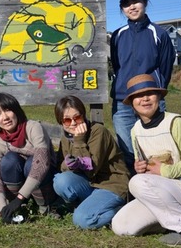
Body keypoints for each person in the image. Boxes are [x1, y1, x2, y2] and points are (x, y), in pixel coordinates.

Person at [111, 74, 181, 246]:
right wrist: (140, 167)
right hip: (162, 193)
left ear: (158, 96)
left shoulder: (175, 122)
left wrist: (164, 171)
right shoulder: (136, 130)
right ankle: (172, 223)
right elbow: (144, 168)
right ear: (132, 103)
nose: (145, 99)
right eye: (138, 96)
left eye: (150, 93)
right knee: (121, 225)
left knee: (137, 183)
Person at [110, 0, 176, 175]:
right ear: (122, 9)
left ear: (145, 3)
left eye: (136, 1)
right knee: (128, 149)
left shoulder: (159, 33)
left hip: (150, 100)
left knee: (156, 146)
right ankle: (133, 190)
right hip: (123, 101)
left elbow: (165, 67)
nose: (132, 6)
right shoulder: (118, 35)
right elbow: (117, 65)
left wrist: (155, 90)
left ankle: (159, 188)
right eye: (126, 4)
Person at [53, 95, 129, 229]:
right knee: (60, 181)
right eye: (67, 120)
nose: (73, 123)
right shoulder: (65, 138)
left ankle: (119, 211)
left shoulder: (98, 131)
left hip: (110, 184)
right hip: (90, 185)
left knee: (82, 220)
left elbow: (91, 169)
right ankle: (90, 206)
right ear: (60, 122)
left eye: (77, 117)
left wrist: (79, 141)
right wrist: (67, 164)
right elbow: (62, 166)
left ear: (83, 115)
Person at [0, 92, 59, 224]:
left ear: (16, 110)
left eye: (7, 110)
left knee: (32, 163)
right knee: (9, 161)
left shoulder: (33, 127)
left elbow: (41, 163)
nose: (5, 117)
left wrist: (20, 198)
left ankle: (45, 206)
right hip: (20, 188)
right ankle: (13, 208)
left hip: (45, 176)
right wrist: (2, 207)